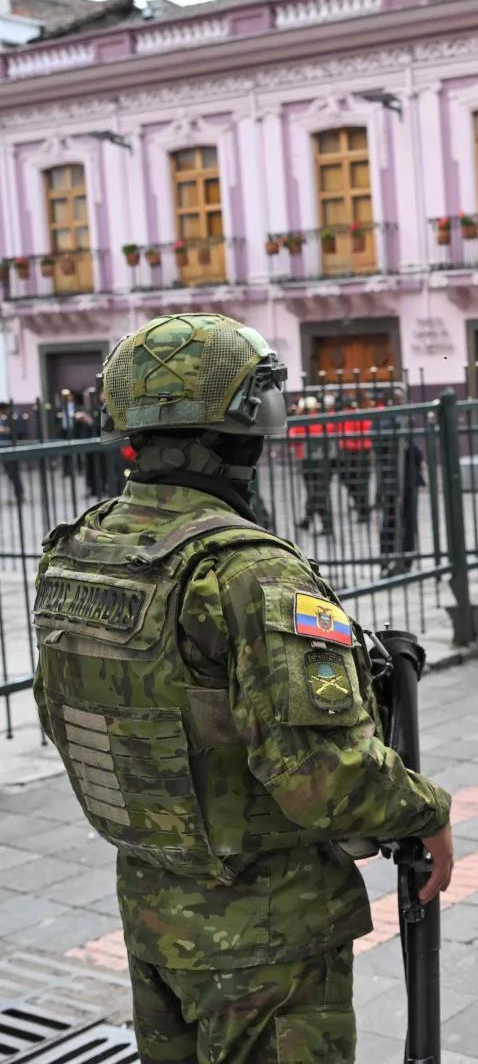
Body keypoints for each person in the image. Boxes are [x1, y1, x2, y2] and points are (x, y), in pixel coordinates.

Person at [32, 313, 454, 1063]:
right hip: (265, 939)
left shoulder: (80, 550)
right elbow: (326, 780)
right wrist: (428, 812)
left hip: (153, 906)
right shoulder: (248, 572)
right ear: (248, 416)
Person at [374, 388, 425, 579]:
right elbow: (381, 442)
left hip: (409, 478)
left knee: (409, 521)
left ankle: (406, 560)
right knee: (391, 520)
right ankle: (387, 560)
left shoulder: (405, 419)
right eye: (397, 399)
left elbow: (414, 448)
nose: (400, 402)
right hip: (391, 479)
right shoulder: (383, 420)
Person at [289, 394, 333, 535]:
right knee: (316, 493)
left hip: (309, 461)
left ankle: (323, 524)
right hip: (321, 461)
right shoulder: (322, 419)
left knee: (315, 493)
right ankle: (309, 521)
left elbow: (293, 437)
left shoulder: (303, 421)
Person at [333, 394, 373, 524]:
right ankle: (362, 507)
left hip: (355, 452)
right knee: (358, 482)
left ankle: (363, 510)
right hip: (355, 452)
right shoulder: (347, 416)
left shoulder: (352, 416)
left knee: (357, 482)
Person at [0, 400, 26, 503]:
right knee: (11, 473)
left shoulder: (14, 417)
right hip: (5, 449)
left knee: (13, 473)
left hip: (11, 448)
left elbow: (19, 432)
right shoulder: (5, 418)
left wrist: (6, 430)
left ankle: (19, 495)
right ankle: (18, 494)